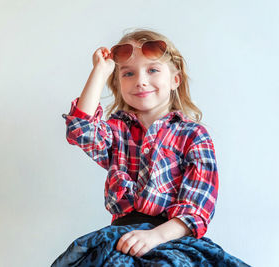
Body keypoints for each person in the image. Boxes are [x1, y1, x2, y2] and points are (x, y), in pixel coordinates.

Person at [51, 28, 250, 266]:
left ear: (175, 79)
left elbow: (197, 206)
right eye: (128, 74)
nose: (141, 81)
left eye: (152, 70)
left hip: (172, 237)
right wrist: (100, 72)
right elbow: (80, 131)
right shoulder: (116, 132)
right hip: (123, 238)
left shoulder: (194, 135)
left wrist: (156, 236)